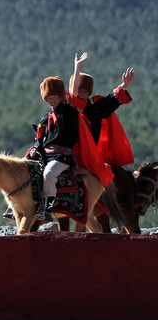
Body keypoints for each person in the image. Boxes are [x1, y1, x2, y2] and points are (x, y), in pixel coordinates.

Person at [30, 53, 113, 222]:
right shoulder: (46, 118)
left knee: (49, 174)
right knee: (23, 170)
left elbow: (74, 90)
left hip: (62, 156)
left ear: (62, 97)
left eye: (54, 98)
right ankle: (17, 206)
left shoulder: (70, 111)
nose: (51, 101)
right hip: (44, 154)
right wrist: (34, 150)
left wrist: (77, 67)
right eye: (48, 99)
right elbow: (40, 139)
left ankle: (47, 209)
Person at [67, 57, 135, 167]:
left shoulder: (94, 108)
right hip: (68, 154)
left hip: (88, 156)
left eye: (85, 92)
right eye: (80, 91)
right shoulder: (66, 108)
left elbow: (110, 100)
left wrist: (124, 85)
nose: (82, 94)